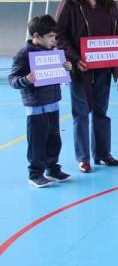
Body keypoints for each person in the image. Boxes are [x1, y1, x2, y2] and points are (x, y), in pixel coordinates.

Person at [56, 0, 118, 173]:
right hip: (80, 69)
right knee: (81, 114)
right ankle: (83, 158)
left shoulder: (109, 4)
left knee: (101, 112)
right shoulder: (69, 3)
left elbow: (117, 31)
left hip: (104, 68)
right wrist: (75, 58)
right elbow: (59, 35)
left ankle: (103, 154)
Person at [9, 15, 73, 187]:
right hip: (36, 106)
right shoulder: (24, 55)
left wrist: (67, 67)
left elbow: (61, 74)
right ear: (36, 36)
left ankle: (52, 168)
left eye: (55, 37)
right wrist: (26, 80)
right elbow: (12, 79)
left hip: (53, 102)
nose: (54, 40)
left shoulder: (53, 52)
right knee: (37, 140)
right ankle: (35, 173)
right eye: (50, 37)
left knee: (54, 138)